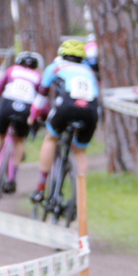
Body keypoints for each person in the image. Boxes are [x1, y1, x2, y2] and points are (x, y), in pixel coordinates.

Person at [28, 40, 100, 202]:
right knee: (80, 151)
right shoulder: (89, 71)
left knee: (51, 138)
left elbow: (41, 99)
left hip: (67, 106)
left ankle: (40, 188)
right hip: (91, 110)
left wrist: (33, 117)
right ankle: (80, 197)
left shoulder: (55, 67)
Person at [0, 51, 43, 194]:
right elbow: (41, 100)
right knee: (19, 141)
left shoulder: (12, 70)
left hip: (7, 104)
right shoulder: (38, 76)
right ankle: (12, 178)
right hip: (26, 108)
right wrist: (38, 119)